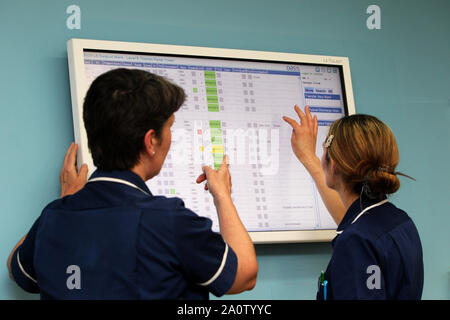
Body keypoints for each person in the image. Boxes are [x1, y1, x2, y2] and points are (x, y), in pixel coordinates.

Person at [7, 68, 257, 299]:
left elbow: (16, 268)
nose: (171, 137)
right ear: (150, 141)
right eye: (170, 128)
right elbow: (244, 276)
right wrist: (222, 195)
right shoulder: (169, 221)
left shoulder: (53, 217)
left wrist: (66, 201)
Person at [283, 105, 424, 300]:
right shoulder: (399, 221)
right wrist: (308, 157)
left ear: (333, 165)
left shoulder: (356, 242)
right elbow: (355, 223)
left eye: (324, 151)